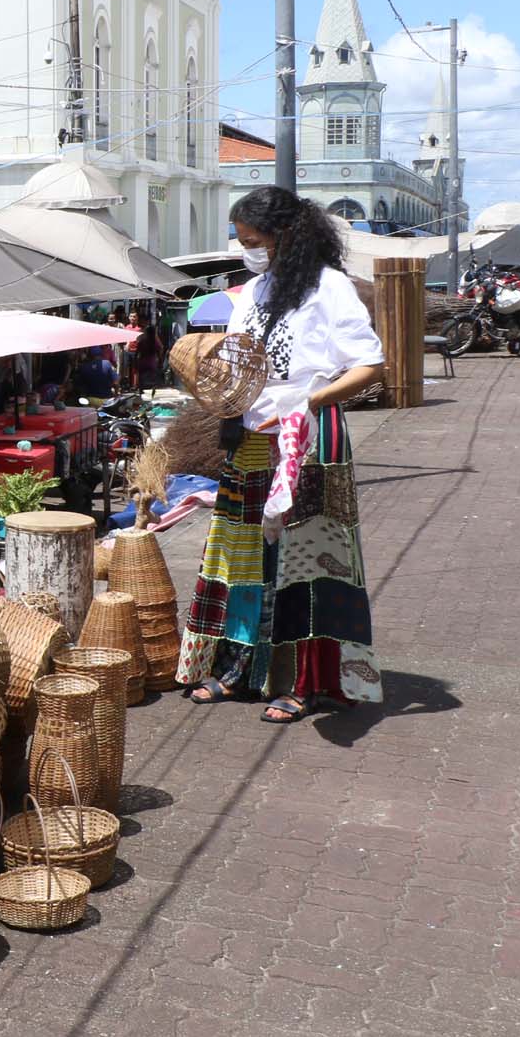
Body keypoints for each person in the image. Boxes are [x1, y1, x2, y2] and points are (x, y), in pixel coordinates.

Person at [181, 186, 386, 725]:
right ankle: (237, 670)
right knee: (241, 558)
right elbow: (239, 363)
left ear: (286, 236)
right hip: (251, 439)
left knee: (307, 564)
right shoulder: (250, 293)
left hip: (310, 440)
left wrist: (307, 400)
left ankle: (304, 682)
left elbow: (369, 365)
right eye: (243, 241)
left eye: (255, 241)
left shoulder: (331, 288)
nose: (248, 249)